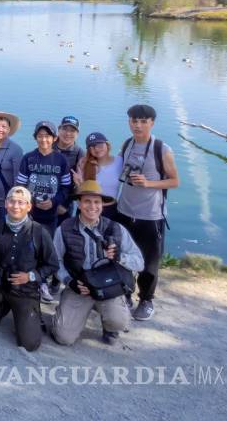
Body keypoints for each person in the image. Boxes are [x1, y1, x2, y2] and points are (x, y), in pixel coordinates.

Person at [0, 186, 59, 352]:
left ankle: (27, 314)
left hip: (25, 291)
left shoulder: (39, 232)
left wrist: (31, 276)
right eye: (12, 201)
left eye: (21, 202)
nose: (16, 206)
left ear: (29, 206)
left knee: (29, 344)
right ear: (6, 204)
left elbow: (53, 264)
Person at [51, 180, 143, 345]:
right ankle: (65, 312)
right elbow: (55, 261)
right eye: (87, 201)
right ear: (79, 204)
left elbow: (139, 262)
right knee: (63, 338)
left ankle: (110, 326)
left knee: (119, 322)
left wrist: (120, 257)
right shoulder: (64, 229)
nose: (92, 206)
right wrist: (70, 282)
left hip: (109, 287)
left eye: (96, 202)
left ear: (102, 205)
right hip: (80, 288)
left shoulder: (116, 229)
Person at [114, 104, 179, 322]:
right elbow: (115, 170)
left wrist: (149, 183)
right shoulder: (127, 144)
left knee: (149, 263)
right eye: (134, 120)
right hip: (124, 211)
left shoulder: (162, 150)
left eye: (143, 121)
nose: (138, 125)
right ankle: (125, 294)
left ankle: (146, 300)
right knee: (122, 257)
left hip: (150, 216)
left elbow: (175, 181)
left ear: (152, 123)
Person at [15, 120, 71, 301]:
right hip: (30, 213)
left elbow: (66, 187)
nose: (44, 139)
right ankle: (29, 280)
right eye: (40, 136)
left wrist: (54, 202)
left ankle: (43, 282)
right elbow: (20, 185)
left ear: (54, 138)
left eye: (47, 136)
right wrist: (29, 202)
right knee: (27, 246)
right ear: (35, 138)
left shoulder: (61, 160)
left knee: (46, 248)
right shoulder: (28, 158)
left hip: (50, 215)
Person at [74, 132, 123, 219]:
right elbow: (79, 194)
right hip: (88, 210)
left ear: (107, 145)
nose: (96, 149)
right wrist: (79, 184)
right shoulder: (84, 163)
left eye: (100, 145)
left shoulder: (119, 161)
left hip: (110, 210)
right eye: (92, 147)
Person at [56, 115, 84, 220]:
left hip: (64, 205)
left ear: (77, 134)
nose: (68, 133)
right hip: (44, 201)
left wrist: (65, 205)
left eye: (72, 131)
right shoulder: (48, 146)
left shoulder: (79, 153)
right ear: (59, 130)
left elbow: (77, 184)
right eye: (65, 129)